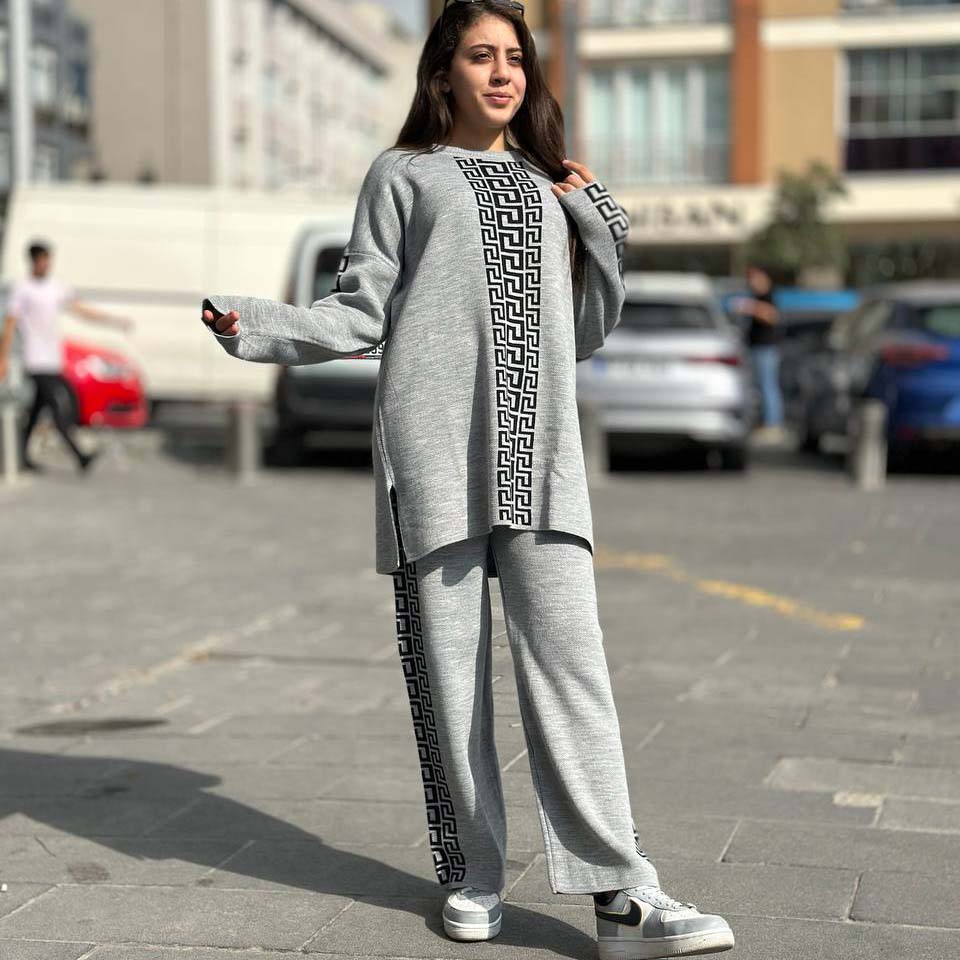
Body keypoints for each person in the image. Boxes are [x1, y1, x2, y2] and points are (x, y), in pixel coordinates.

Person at [201, 2, 734, 957]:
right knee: (450, 682)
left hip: (543, 464)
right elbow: (360, 311)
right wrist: (256, 324)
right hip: (434, 460)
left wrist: (597, 218)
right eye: (481, 56)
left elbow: (584, 330)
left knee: (574, 671)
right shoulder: (402, 174)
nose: (502, 73)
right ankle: (473, 872)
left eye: (515, 58)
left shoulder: (547, 184)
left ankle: (621, 893)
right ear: (443, 70)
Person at [0, 240, 134, 473]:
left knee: (37, 409)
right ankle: (79, 455)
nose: (46, 264)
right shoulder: (23, 289)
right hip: (36, 361)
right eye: (42, 260)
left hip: (52, 359)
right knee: (57, 405)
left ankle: (22, 457)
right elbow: (10, 325)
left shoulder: (55, 288)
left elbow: (82, 311)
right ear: (33, 261)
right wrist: (3, 358)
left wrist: (114, 321)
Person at [735, 262, 785, 440]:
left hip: (766, 348)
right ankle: (765, 421)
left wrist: (751, 307)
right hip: (756, 347)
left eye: (753, 277)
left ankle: (773, 423)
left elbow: (772, 315)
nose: (751, 282)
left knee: (768, 385)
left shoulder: (767, 295)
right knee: (760, 387)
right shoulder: (756, 295)